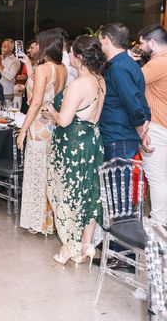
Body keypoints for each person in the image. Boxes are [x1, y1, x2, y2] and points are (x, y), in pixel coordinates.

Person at [46, 35, 107, 265]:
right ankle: (86, 245)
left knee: (70, 195)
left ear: (79, 58)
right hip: (92, 142)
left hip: (73, 147)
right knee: (89, 193)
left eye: (71, 53)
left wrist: (51, 109)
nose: (68, 56)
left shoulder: (78, 85)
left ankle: (69, 246)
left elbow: (63, 120)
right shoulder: (100, 80)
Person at [16, 29, 67, 235]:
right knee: (49, 174)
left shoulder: (44, 69)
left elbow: (36, 103)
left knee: (36, 173)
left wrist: (22, 131)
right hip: (53, 124)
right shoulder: (61, 68)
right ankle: (49, 222)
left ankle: (36, 222)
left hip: (38, 125)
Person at [99, 23, 151, 161]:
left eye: (100, 40)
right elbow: (140, 97)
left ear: (107, 40)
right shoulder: (128, 63)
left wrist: (141, 129)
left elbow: (132, 101)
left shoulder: (118, 67)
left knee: (116, 181)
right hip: (121, 134)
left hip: (118, 135)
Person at [137, 25, 166, 224]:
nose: (139, 47)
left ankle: (158, 221)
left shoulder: (158, 63)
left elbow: (132, 82)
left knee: (156, 176)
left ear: (153, 43)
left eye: (141, 43)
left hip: (157, 125)